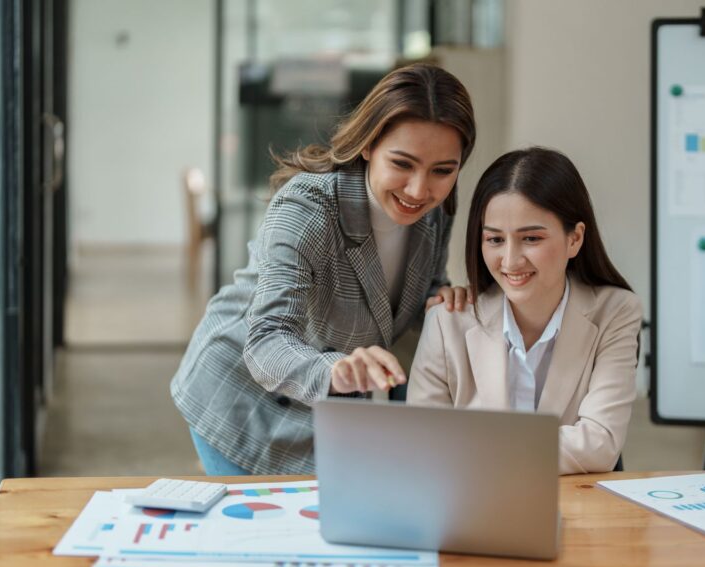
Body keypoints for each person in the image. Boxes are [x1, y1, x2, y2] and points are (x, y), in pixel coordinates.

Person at [171, 64, 477, 475]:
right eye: (402, 164)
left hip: (325, 409)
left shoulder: (435, 213)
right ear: (368, 145)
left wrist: (443, 297)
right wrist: (335, 370)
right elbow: (266, 341)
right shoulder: (308, 209)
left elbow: (418, 290)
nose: (419, 190)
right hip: (239, 398)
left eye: (443, 170)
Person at [407, 147, 642, 474]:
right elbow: (422, 443)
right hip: (473, 509)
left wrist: (470, 447)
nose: (511, 260)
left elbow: (599, 445)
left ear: (575, 239)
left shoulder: (615, 312)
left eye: (531, 238)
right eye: (495, 240)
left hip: (576, 508)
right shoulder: (447, 320)